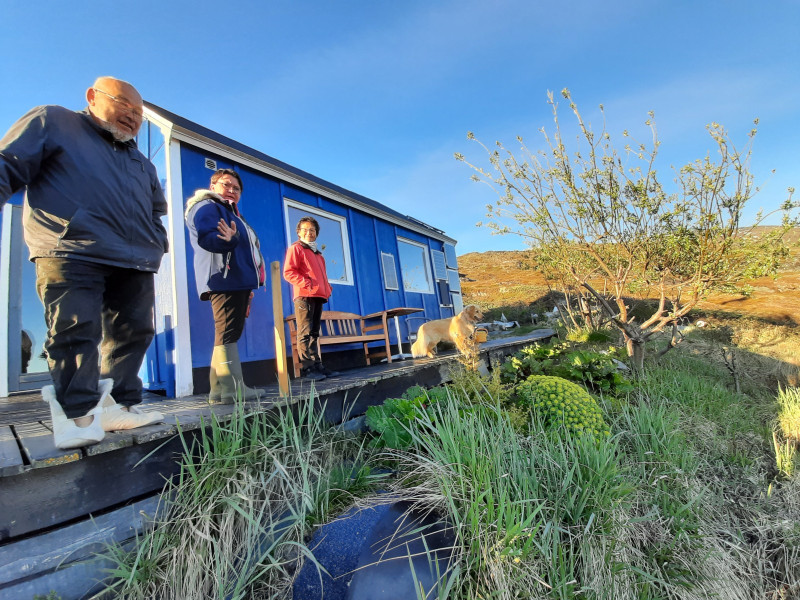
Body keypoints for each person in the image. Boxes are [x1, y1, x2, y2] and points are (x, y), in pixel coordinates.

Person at [0, 76, 166, 449]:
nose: (133, 116)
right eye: (124, 104)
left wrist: (155, 243)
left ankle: (119, 404)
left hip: (135, 258)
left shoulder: (142, 162)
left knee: (133, 332)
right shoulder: (54, 120)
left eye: (139, 113)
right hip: (70, 248)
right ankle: (77, 414)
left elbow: (157, 210)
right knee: (75, 330)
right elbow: (6, 164)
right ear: (92, 97)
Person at [185, 169, 266, 403]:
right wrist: (227, 240)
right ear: (213, 185)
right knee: (228, 331)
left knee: (226, 331)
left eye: (236, 188)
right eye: (226, 185)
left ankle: (218, 391)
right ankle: (233, 388)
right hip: (223, 277)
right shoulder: (209, 206)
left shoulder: (231, 212)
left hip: (235, 278)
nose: (231, 190)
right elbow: (208, 237)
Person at [283, 216, 339, 381]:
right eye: (305, 229)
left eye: (313, 230)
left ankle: (317, 366)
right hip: (304, 296)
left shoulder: (318, 255)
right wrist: (306, 283)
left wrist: (327, 288)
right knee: (305, 332)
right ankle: (308, 369)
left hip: (318, 296)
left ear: (317, 233)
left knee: (314, 332)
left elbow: (323, 276)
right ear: (299, 232)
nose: (309, 232)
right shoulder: (296, 248)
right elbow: (289, 272)